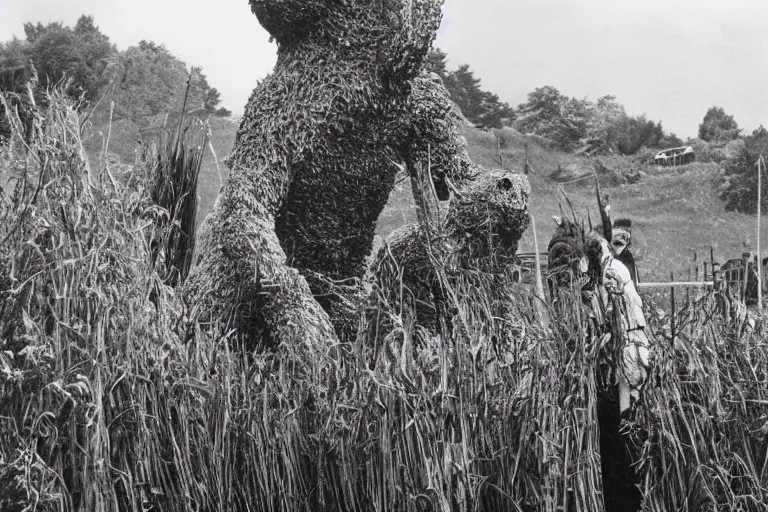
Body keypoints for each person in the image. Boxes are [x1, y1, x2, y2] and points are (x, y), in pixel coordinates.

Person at [586, 233, 650, 416]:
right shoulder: (613, 266)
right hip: (630, 329)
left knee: (629, 376)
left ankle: (629, 419)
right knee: (628, 378)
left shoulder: (612, 270)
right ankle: (629, 418)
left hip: (629, 329)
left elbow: (613, 305)